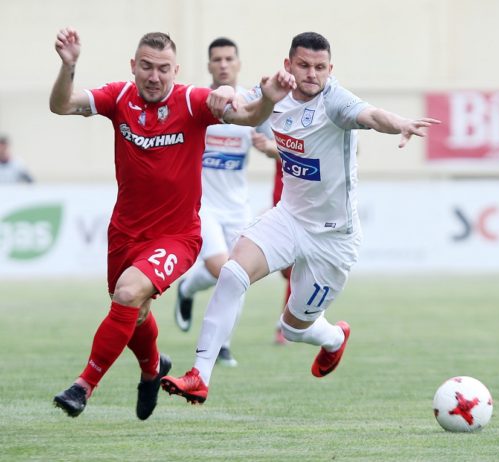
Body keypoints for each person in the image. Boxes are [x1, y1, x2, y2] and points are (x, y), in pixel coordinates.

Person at [160, 32, 441, 405]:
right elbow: (239, 103)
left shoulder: (335, 101)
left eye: (320, 67)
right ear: (288, 64)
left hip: (333, 238)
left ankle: (334, 338)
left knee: (292, 328)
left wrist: (400, 122)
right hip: (289, 218)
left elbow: (372, 115)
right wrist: (225, 93)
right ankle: (200, 375)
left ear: (330, 69)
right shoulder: (276, 92)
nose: (312, 74)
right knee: (231, 273)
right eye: (304, 65)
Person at [49, 27, 295, 419]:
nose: (154, 76)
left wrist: (266, 98)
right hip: (125, 232)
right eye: (146, 67)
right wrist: (69, 66)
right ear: (133, 66)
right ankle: (152, 369)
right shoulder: (118, 97)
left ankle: (83, 385)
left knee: (128, 294)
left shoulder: (191, 102)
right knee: (134, 310)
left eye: (163, 69)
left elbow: (248, 115)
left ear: (175, 71)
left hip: (177, 236)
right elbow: (61, 105)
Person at [174, 37, 278, 366]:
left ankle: (220, 340)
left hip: (237, 207)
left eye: (228, 59)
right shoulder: (198, 102)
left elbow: (281, 148)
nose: (223, 64)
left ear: (238, 64)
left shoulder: (252, 105)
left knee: (238, 273)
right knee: (223, 268)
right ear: (209, 65)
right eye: (216, 59)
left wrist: (269, 149)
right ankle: (191, 294)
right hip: (202, 205)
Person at [251, 132, 291, 345]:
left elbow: (355, 149)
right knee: (288, 271)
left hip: (306, 213)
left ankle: (285, 324)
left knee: (297, 270)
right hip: (281, 209)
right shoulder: (281, 126)